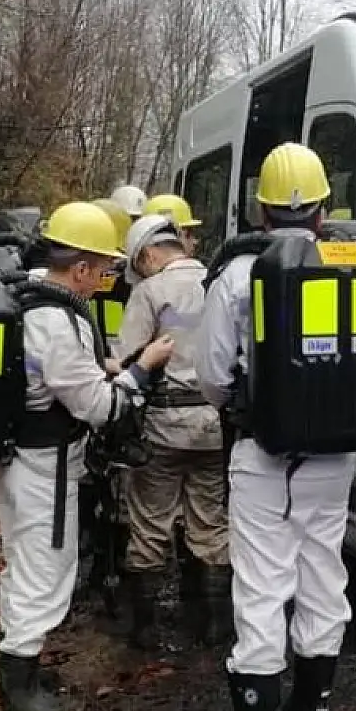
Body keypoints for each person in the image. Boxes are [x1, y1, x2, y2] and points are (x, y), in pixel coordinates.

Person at [195, 143, 349, 711]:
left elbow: (211, 375)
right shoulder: (350, 262)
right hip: (336, 455)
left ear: (260, 210)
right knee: (322, 569)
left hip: (263, 454)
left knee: (262, 580)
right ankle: (313, 704)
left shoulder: (238, 273)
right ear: (323, 208)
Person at [0, 201, 174, 711]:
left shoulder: (27, 293)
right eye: (102, 269)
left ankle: (22, 664)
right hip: (44, 464)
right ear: (79, 268)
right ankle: (19, 687)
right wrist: (141, 370)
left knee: (23, 559)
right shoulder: (57, 321)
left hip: (17, 454)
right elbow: (99, 407)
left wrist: (106, 366)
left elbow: (62, 373)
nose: (104, 280)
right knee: (45, 567)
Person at [115, 213, 228, 649]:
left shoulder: (150, 291)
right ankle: (213, 624)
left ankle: (145, 630)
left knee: (150, 523)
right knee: (210, 521)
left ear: (147, 255)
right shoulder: (220, 282)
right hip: (216, 426)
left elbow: (128, 359)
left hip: (164, 429)